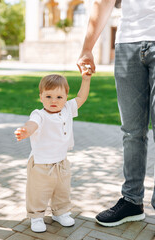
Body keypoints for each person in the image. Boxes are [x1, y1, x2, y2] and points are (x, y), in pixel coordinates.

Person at [77, 0, 155, 227]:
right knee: (131, 131)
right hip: (127, 43)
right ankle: (132, 200)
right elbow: (103, 2)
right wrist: (87, 48)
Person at [14, 68, 92, 233]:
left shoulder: (67, 109)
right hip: (41, 164)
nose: (53, 101)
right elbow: (32, 124)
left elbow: (81, 97)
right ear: (41, 96)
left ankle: (60, 212)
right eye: (48, 96)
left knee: (62, 190)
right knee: (38, 192)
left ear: (65, 98)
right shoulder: (39, 114)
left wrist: (86, 80)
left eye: (59, 97)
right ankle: (36, 216)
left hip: (61, 161)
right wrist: (26, 131)